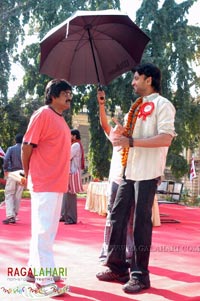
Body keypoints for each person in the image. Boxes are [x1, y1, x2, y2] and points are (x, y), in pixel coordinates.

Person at [96, 63, 176, 294]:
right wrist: (124, 133)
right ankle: (117, 266)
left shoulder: (163, 105)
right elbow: (133, 138)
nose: (132, 83)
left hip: (147, 173)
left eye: (136, 78)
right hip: (128, 172)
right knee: (117, 218)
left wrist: (132, 142)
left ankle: (140, 275)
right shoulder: (137, 105)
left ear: (148, 80)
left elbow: (166, 139)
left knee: (141, 224)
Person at [21, 79, 73, 296]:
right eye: (65, 93)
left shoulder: (60, 119)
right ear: (53, 96)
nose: (69, 97)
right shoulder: (43, 114)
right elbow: (27, 146)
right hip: (44, 182)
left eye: (70, 93)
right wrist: (27, 172)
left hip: (56, 182)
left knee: (46, 231)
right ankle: (44, 281)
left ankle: (36, 270)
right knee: (44, 231)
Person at [97, 93, 133, 261]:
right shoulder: (117, 136)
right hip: (116, 182)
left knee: (129, 219)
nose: (125, 124)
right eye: (125, 121)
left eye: (128, 122)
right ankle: (108, 250)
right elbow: (104, 124)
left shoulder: (136, 140)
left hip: (132, 182)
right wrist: (101, 104)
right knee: (111, 217)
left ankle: (129, 252)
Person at [60, 129, 84, 224]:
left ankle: (71, 218)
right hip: (69, 172)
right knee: (65, 194)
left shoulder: (75, 145)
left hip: (72, 172)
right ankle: (64, 215)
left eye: (70, 135)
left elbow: (67, 156)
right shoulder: (75, 144)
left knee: (70, 195)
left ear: (74, 136)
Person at [2, 133, 24, 224]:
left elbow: (6, 160)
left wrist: (5, 169)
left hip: (12, 173)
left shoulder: (11, 149)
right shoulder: (26, 150)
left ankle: (10, 215)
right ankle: (14, 214)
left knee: (9, 194)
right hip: (23, 173)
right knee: (18, 195)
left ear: (15, 140)